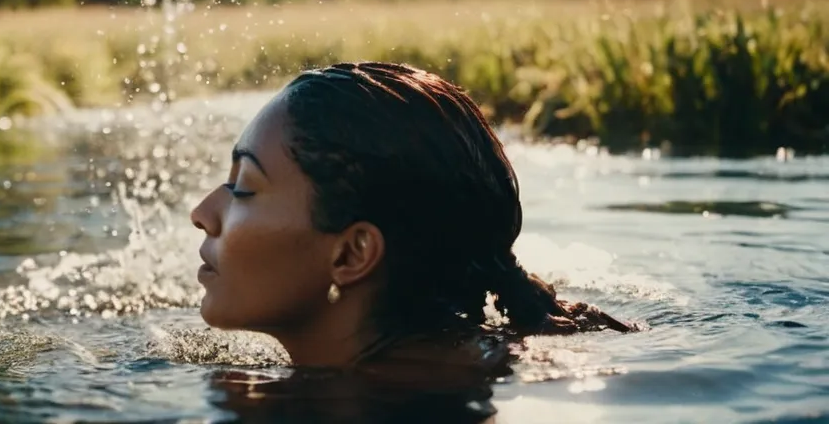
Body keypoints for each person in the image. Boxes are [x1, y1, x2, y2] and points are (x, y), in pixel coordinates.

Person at [190, 61, 632, 374]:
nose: (203, 213)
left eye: (244, 186)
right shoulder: (462, 364)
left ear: (351, 254)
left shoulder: (362, 399)